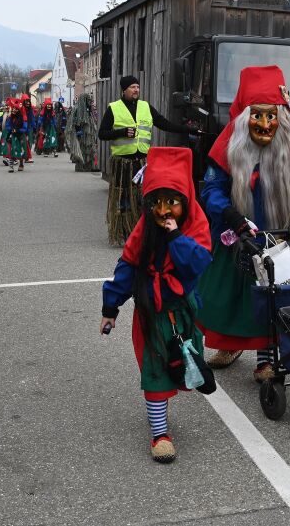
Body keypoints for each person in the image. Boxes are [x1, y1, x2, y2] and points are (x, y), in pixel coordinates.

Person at [196, 66, 290, 377]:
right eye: (258, 115)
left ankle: (266, 359)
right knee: (226, 294)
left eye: (271, 116)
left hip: (273, 238)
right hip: (235, 236)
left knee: (269, 295)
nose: (265, 124)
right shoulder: (228, 146)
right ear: (244, 117)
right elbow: (211, 188)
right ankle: (230, 343)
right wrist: (230, 214)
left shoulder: (285, 151)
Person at [100, 147, 213, 464]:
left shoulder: (195, 224)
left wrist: (176, 238)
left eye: (172, 203)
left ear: (185, 202)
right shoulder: (143, 229)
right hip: (151, 309)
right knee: (154, 366)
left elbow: (196, 263)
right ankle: (160, 434)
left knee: (182, 359)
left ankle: (174, 393)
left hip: (181, 307)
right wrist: (111, 309)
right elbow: (126, 267)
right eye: (155, 203)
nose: (163, 211)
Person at [98, 76, 198, 245]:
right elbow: (102, 134)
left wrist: (187, 129)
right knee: (124, 198)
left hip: (142, 163)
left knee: (143, 199)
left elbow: (164, 124)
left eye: (137, 86)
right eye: (132, 87)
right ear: (124, 90)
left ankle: (142, 232)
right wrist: (121, 132)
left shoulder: (145, 107)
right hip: (122, 162)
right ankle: (124, 231)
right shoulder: (114, 108)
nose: (136, 90)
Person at [1, 97, 32, 173]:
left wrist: (17, 130)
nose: (14, 110)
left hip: (21, 136)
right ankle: (11, 167)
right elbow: (7, 126)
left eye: (16, 109)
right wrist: (11, 130)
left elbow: (24, 128)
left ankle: (21, 164)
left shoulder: (23, 118)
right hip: (12, 136)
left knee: (20, 151)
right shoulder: (10, 117)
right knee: (12, 150)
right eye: (13, 109)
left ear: (19, 110)